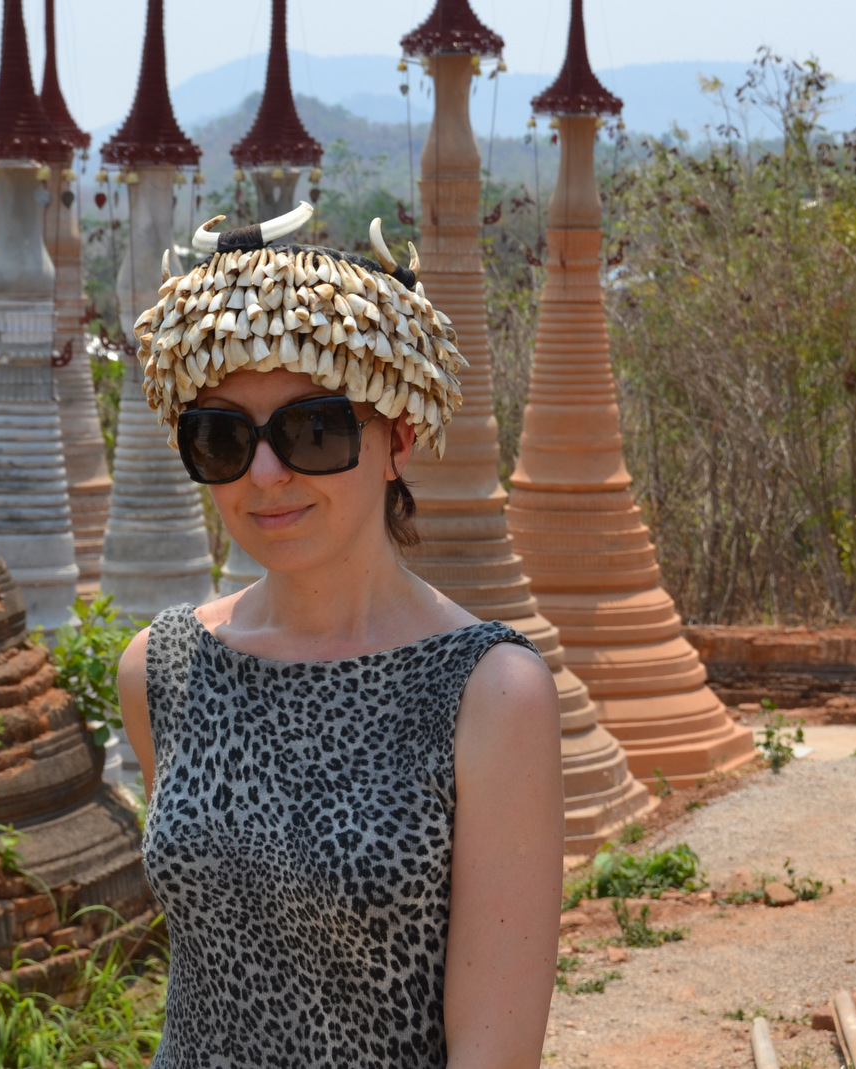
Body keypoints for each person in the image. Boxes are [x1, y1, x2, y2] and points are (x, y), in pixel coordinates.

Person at [116, 206, 563, 1068]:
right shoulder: (162, 669)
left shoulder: (489, 692)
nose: (266, 474)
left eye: (311, 428)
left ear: (395, 436)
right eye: (222, 438)